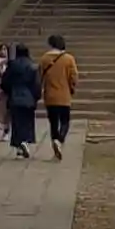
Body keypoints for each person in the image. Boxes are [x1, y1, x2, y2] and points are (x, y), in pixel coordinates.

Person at [37, 33, 79, 161]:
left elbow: (39, 77)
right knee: (65, 121)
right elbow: (74, 76)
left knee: (53, 122)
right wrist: (72, 87)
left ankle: (55, 140)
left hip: (50, 96)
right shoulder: (69, 59)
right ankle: (60, 140)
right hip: (64, 95)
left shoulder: (44, 59)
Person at [3, 42, 40, 157]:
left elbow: (5, 81)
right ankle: (25, 141)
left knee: (16, 122)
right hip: (28, 96)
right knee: (27, 121)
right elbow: (36, 84)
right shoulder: (32, 66)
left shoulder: (12, 65)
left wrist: (9, 92)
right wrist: (36, 97)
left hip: (15, 96)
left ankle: (19, 145)